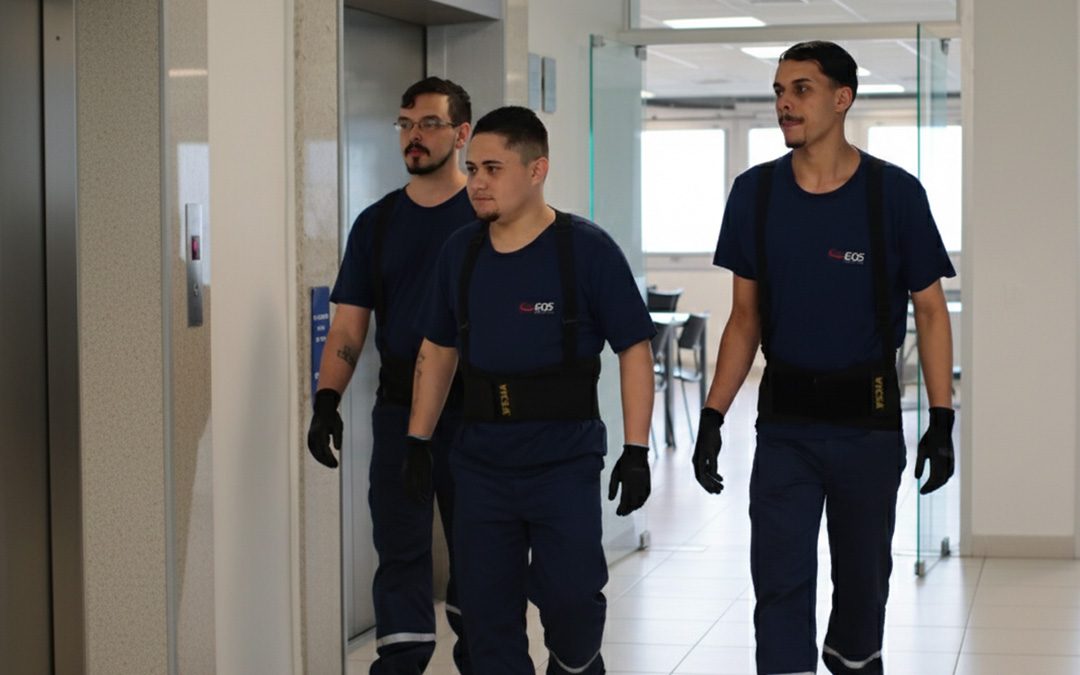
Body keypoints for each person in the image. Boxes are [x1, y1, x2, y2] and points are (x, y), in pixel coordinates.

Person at [691, 41, 957, 675]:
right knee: (778, 583)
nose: (785, 103)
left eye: (801, 89)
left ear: (843, 98)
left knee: (863, 587)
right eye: (779, 91)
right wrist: (712, 415)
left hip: (868, 428)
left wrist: (942, 418)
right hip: (785, 430)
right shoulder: (754, 194)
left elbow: (930, 310)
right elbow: (744, 319)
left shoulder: (894, 194)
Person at [405, 106, 655, 674]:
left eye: (493, 168)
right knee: (486, 616)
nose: (478, 182)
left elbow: (634, 349)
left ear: (537, 169)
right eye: (473, 169)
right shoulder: (460, 253)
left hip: (563, 461)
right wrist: (418, 440)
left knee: (571, 603)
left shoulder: (586, 250)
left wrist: (636, 450)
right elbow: (438, 350)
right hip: (480, 463)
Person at [306, 76, 475, 674]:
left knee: (479, 551)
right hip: (399, 408)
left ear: (461, 133)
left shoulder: (486, 216)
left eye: (428, 124)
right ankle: (401, 663)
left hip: (477, 413)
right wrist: (326, 399)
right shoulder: (376, 224)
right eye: (405, 124)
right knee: (399, 548)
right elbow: (349, 326)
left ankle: (484, 655)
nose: (413, 136)